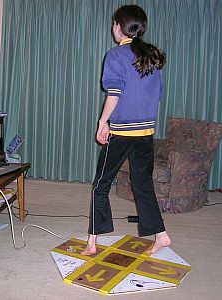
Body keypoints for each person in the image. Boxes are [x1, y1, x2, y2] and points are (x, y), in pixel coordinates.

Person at [81, 5, 171, 255]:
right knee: (143, 185)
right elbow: (159, 94)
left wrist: (103, 122)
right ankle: (161, 235)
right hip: (145, 133)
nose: (113, 28)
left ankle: (91, 243)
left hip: (121, 133)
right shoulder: (151, 56)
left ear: (119, 27)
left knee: (101, 183)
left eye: (113, 24)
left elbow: (114, 92)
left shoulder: (115, 55)